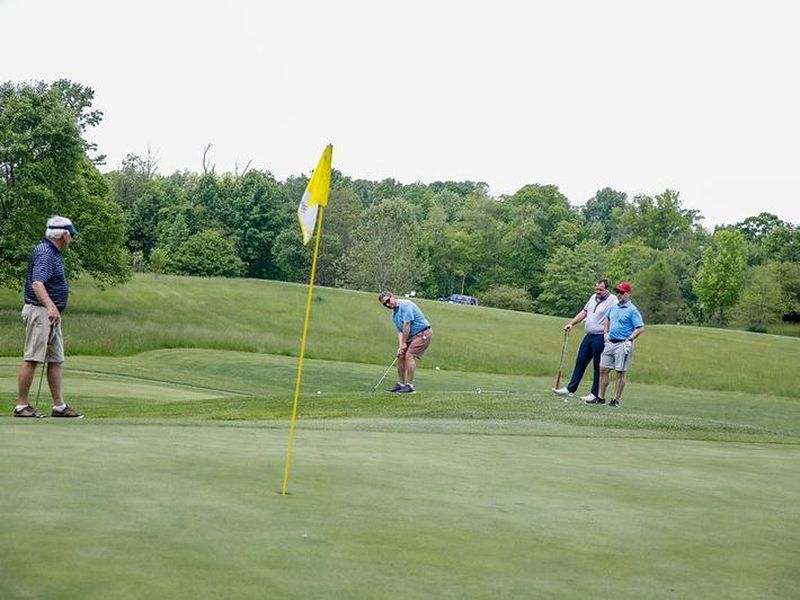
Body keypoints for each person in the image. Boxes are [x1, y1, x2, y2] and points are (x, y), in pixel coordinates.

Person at [14, 216, 83, 419]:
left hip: (50, 313)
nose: (71, 240)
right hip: (40, 311)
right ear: (63, 235)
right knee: (33, 358)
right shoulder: (45, 253)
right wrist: (51, 306)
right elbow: (37, 284)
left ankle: (59, 406)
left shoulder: (52, 252)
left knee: (55, 359)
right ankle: (21, 406)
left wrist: (53, 309)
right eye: (71, 236)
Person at [553, 279, 618, 401]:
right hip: (589, 336)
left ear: (606, 289)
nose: (598, 292)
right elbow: (584, 313)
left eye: (600, 290)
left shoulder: (613, 300)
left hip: (600, 337)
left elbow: (614, 317)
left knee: (598, 366)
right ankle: (570, 389)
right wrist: (571, 323)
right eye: (596, 289)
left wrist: (608, 334)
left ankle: (595, 393)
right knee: (580, 361)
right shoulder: (593, 297)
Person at [585, 281, 644, 408]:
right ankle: (600, 397)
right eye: (617, 292)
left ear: (628, 294)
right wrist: (605, 333)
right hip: (610, 342)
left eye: (622, 293)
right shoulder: (614, 307)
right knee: (603, 369)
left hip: (623, 344)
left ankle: (615, 399)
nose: (619, 295)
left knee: (620, 371)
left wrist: (630, 339)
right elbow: (607, 319)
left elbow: (639, 328)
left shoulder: (632, 310)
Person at [377, 291, 432, 394]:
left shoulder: (406, 305)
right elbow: (400, 331)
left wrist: (404, 344)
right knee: (401, 355)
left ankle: (410, 386)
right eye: (385, 304)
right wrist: (401, 346)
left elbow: (407, 325)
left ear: (393, 296)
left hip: (423, 333)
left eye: (388, 301)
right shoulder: (394, 315)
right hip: (411, 336)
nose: (388, 304)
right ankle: (400, 384)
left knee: (409, 356)